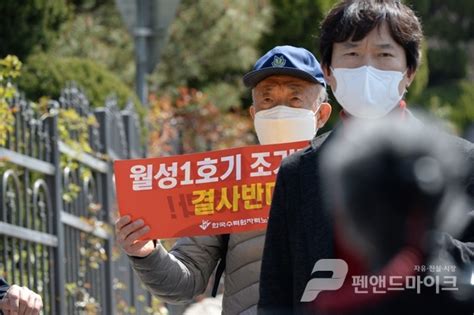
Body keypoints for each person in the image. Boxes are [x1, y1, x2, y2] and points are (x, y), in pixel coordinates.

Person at [257, 1, 474, 314]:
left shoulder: (459, 162)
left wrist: (418, 241)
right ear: (328, 72)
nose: (367, 68)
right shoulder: (298, 171)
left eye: (384, 55)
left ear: (410, 71)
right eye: (352, 54)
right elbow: (276, 293)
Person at [115, 45, 332, 315]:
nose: (279, 110)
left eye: (294, 99)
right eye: (267, 100)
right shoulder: (225, 179)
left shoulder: (347, 176)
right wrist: (147, 253)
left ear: (321, 114)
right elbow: (184, 282)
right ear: (254, 115)